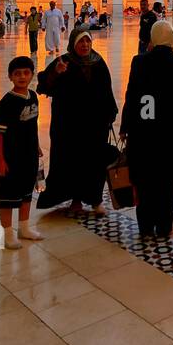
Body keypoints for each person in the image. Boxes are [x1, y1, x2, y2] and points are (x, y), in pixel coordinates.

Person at [120, 20, 173, 240]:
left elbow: (131, 96)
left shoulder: (139, 62)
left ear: (153, 39)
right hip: (167, 132)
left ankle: (145, 227)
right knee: (165, 180)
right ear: (172, 39)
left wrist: (125, 126)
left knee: (143, 178)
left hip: (141, 130)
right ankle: (164, 227)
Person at [37, 29, 118, 217]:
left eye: (88, 42)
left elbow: (107, 90)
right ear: (74, 43)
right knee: (70, 161)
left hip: (94, 124)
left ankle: (95, 199)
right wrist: (56, 74)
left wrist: (110, 113)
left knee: (94, 161)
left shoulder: (98, 62)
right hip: (68, 124)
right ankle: (75, 199)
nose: (85, 46)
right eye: (81, 42)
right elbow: (43, 87)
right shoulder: (63, 62)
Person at [0, 55, 45, 250]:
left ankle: (24, 228)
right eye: (17, 74)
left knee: (26, 193)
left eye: (26, 73)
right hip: (11, 157)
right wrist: (0, 160)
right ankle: (6, 233)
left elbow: (32, 126)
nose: (22, 77)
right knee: (7, 196)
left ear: (32, 75)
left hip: (29, 154)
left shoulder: (33, 97)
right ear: (10, 77)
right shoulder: (7, 103)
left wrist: (37, 145)